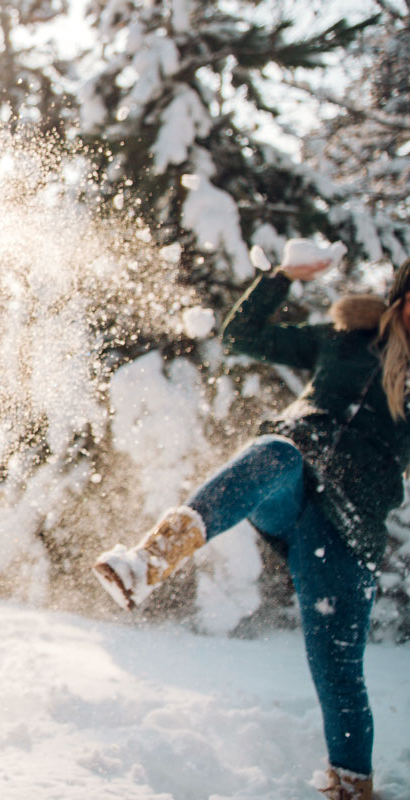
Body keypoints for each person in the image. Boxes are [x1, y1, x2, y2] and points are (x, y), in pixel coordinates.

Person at [93, 253, 410, 800]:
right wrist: (282, 278)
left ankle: (353, 788)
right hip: (294, 483)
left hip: (346, 535)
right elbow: (242, 334)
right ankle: (148, 561)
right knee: (273, 451)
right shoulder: (343, 339)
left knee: (338, 673)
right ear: (402, 297)